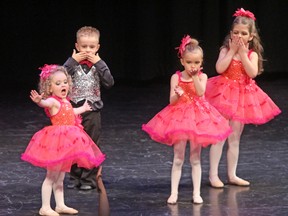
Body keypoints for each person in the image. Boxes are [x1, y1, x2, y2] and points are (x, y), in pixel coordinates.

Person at [142, 35, 232, 204]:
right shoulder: (176, 77)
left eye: (197, 63)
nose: (193, 66)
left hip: (198, 118)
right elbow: (171, 101)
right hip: (179, 118)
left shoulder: (202, 77)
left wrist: (196, 77)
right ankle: (174, 192)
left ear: (201, 62)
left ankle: (196, 193)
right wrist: (177, 95)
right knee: (178, 157)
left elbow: (199, 93)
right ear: (182, 61)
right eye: (190, 62)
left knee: (195, 158)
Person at [205, 8, 281, 188]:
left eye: (244, 33)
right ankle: (213, 175)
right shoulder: (225, 50)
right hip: (223, 94)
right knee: (220, 136)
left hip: (241, 97)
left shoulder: (252, 54)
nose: (239, 36)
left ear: (251, 36)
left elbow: (252, 73)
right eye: (236, 32)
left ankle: (232, 174)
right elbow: (219, 68)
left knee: (234, 137)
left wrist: (242, 54)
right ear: (231, 34)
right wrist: (232, 51)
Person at [21, 64, 106, 216]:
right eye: (58, 83)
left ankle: (60, 205)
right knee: (51, 176)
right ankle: (45, 207)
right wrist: (39, 101)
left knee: (60, 177)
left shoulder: (66, 101)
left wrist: (84, 109)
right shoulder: (53, 102)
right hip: (56, 142)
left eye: (65, 82)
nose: (63, 85)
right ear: (50, 87)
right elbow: (45, 104)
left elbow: (71, 112)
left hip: (68, 141)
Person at [64, 26, 114, 190]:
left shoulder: (99, 65)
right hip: (73, 111)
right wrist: (72, 61)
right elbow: (59, 77)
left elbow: (109, 82)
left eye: (91, 47)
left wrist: (99, 63)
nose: (87, 50)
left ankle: (88, 179)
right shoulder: (71, 64)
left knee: (91, 143)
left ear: (97, 47)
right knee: (73, 144)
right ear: (77, 46)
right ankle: (74, 176)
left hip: (92, 111)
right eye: (84, 46)